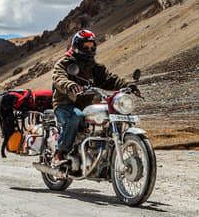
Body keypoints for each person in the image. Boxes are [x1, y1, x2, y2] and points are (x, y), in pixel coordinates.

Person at [51, 29, 137, 167]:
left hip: (89, 106)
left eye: (92, 47)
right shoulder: (65, 63)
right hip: (65, 104)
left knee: (111, 115)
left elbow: (110, 79)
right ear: (77, 46)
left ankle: (106, 155)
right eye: (86, 46)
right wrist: (70, 85)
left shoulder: (96, 68)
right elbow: (58, 77)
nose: (89, 49)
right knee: (75, 117)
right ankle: (59, 153)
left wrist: (128, 86)